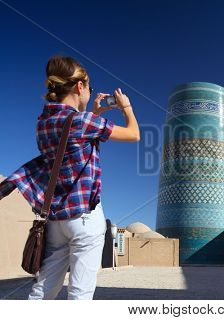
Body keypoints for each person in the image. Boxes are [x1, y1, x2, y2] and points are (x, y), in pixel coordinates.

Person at [0, 55, 140, 299]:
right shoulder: (83, 121)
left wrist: (95, 111)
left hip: (56, 219)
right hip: (85, 218)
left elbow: (75, 142)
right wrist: (125, 106)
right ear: (80, 86)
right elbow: (134, 134)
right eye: (89, 87)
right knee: (80, 293)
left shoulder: (43, 122)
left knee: (43, 289)